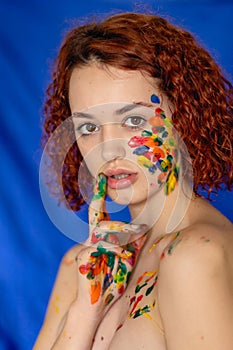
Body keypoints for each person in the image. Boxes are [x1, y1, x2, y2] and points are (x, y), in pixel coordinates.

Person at [34, 12, 233, 350]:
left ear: (183, 116)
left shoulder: (193, 257)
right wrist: (86, 310)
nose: (108, 149)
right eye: (88, 127)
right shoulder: (81, 268)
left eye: (134, 120)